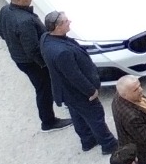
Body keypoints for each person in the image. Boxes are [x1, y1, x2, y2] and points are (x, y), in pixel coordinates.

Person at [44, 10, 117, 152]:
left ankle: (87, 140)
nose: (69, 22)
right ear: (58, 27)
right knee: (95, 116)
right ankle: (109, 144)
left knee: (77, 114)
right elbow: (74, 75)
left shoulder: (46, 39)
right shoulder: (62, 52)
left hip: (66, 91)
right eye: (66, 21)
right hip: (78, 92)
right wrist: (91, 91)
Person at [0, 0, 63, 133]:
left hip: (20, 58)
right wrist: (46, 64)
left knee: (45, 86)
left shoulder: (5, 10)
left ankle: (58, 100)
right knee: (43, 88)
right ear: (20, 0)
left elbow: (1, 32)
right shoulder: (25, 21)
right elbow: (33, 49)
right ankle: (48, 122)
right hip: (32, 63)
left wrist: (14, 43)